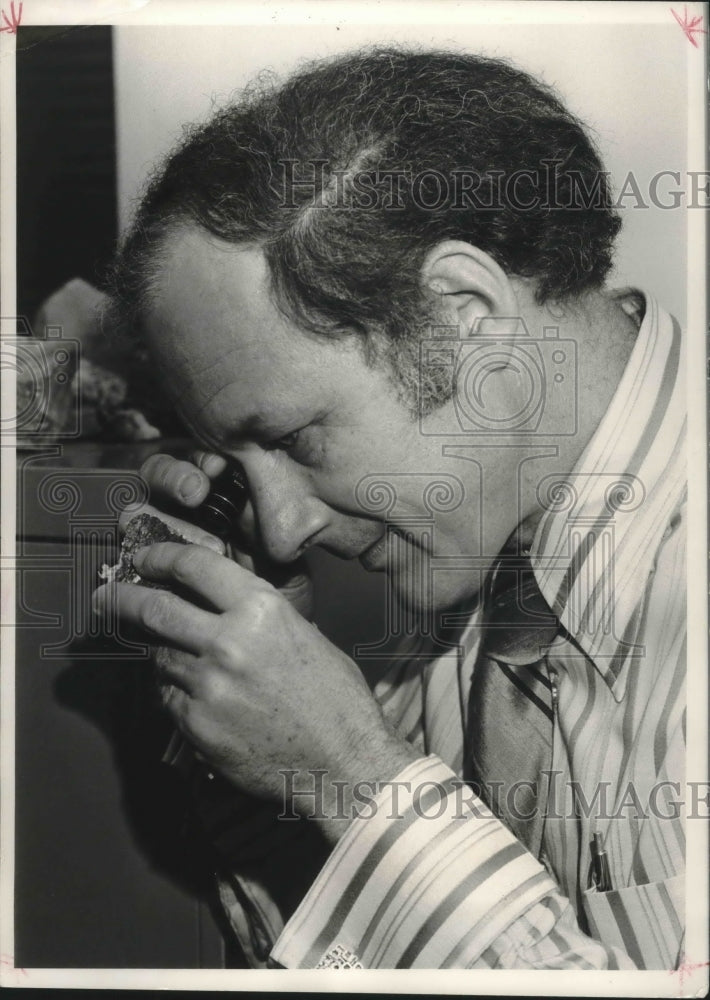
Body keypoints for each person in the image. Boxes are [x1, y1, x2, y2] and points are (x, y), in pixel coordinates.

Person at [92, 47, 686, 969]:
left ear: (464, 314)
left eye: (293, 437)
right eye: (242, 462)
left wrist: (359, 782)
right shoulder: (468, 564)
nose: (283, 530)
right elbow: (360, 960)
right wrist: (272, 750)